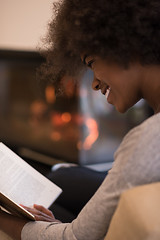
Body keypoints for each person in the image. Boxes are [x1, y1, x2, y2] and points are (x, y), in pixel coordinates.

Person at [1, 0, 160, 239]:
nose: (94, 82)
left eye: (91, 63)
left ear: (125, 45)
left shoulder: (148, 138)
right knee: (62, 177)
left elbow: (74, 237)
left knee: (52, 201)